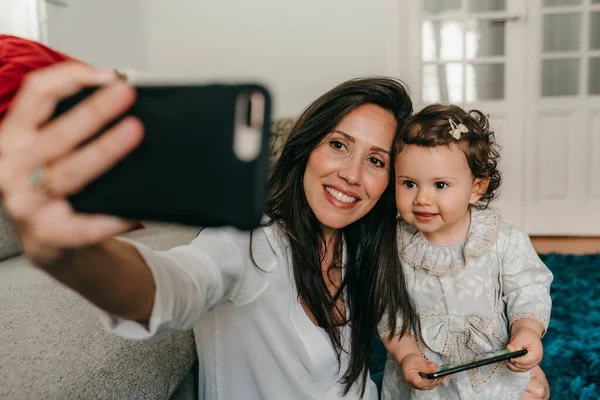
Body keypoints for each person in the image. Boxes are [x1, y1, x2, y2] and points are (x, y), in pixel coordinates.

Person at [0, 62, 551, 400]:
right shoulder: (249, 243)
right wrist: (71, 252)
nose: (352, 176)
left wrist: (509, 380)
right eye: (338, 145)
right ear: (306, 145)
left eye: (378, 160)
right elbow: (172, 288)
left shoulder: (372, 248)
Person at [378, 104, 554, 400]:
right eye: (409, 183)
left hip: (494, 369)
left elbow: (528, 289)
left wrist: (527, 331)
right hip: (431, 375)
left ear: (476, 187)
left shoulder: (503, 239)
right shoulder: (393, 246)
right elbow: (389, 311)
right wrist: (407, 356)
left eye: (441, 185)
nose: (422, 198)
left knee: (527, 392)